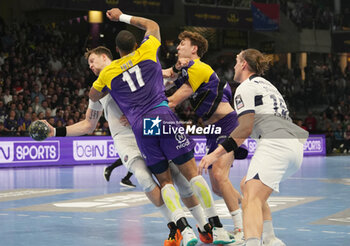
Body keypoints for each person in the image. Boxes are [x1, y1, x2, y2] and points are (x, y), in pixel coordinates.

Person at [88, 8, 234, 245]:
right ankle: (215, 227)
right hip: (161, 117)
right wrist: (122, 16)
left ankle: (184, 231)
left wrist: (106, 83)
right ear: (136, 43)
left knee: (165, 182)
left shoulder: (109, 73)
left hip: (140, 126)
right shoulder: (146, 51)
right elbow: (152, 25)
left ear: (116, 51)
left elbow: (94, 96)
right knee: (191, 175)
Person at [43, 93, 213, 246]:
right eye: (89, 63)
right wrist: (55, 131)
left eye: (94, 60)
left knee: (178, 177)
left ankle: (205, 227)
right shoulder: (98, 88)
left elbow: (160, 92)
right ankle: (177, 226)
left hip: (149, 126)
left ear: (105, 57)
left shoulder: (130, 73)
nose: (92, 66)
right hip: (125, 139)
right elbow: (88, 125)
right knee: (144, 178)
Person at [198, 48, 309, 246]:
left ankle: (251, 242)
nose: (233, 66)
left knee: (251, 199)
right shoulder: (268, 85)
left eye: (236, 61)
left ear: (243, 64)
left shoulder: (245, 88)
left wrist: (214, 154)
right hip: (295, 146)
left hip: (275, 145)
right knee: (246, 185)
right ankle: (270, 238)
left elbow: (244, 129)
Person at [163, 31, 247, 241]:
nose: (178, 46)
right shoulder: (186, 69)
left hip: (228, 125)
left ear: (194, 49)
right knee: (218, 187)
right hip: (213, 131)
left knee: (219, 175)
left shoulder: (199, 68)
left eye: (182, 43)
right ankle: (250, 206)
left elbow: (173, 101)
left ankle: (241, 229)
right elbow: (164, 75)